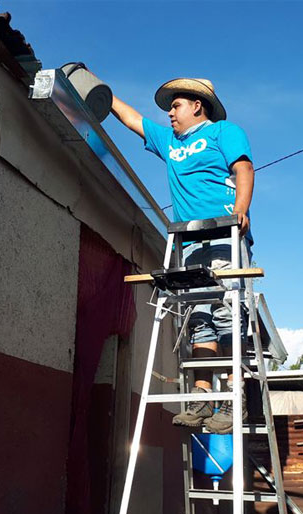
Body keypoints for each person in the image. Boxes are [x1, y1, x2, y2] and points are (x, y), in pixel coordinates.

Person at [111, 78, 255, 434]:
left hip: (224, 234)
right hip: (189, 242)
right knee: (199, 318)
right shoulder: (170, 142)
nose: (170, 113)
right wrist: (96, 88)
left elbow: (243, 169)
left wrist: (240, 211)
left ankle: (234, 398)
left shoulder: (223, 132)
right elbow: (132, 119)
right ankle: (202, 397)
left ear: (197, 105)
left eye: (176, 106)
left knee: (226, 314)